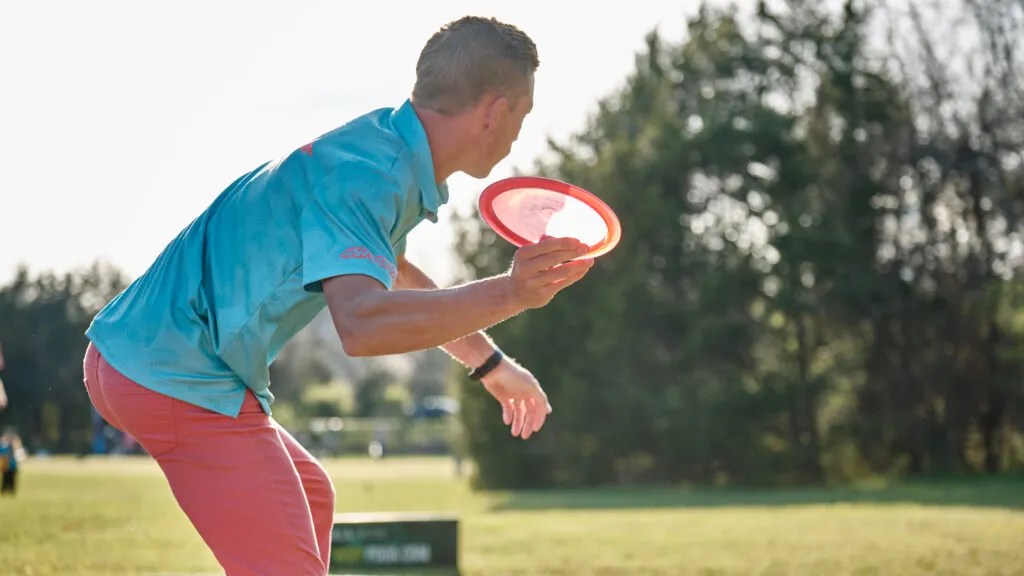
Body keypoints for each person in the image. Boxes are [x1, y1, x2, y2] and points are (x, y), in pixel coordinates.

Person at [82, 15, 595, 575]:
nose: (518, 133)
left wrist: (490, 363)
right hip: (172, 370)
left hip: (132, 354)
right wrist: (512, 292)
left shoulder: (381, 149)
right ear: (495, 111)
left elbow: (392, 272)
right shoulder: (371, 176)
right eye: (521, 116)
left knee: (311, 496)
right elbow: (362, 323)